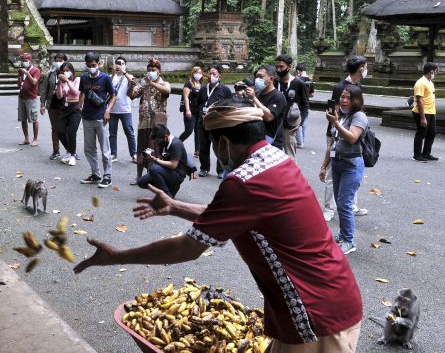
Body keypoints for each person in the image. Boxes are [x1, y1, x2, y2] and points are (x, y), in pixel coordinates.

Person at [74, 100, 363, 352]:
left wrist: (117, 257)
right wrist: (175, 207)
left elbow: (188, 248)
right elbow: (230, 216)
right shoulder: (275, 159)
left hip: (313, 316)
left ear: (223, 143)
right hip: (335, 298)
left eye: (211, 142)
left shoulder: (243, 182)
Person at [319, 85, 368, 255]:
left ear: (356, 100)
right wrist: (324, 166)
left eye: (348, 97)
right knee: (340, 204)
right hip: (337, 164)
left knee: (344, 204)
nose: (344, 100)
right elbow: (331, 144)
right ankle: (343, 235)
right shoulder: (342, 116)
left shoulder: (359, 117)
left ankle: (349, 241)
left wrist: (336, 123)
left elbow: (352, 137)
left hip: (352, 165)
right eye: (342, 97)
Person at [323, 56, 369, 221]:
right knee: (331, 172)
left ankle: (351, 205)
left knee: (351, 172)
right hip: (337, 133)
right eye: (366, 67)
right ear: (361, 69)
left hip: (353, 133)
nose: (345, 99)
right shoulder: (341, 87)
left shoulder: (358, 86)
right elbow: (334, 111)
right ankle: (329, 208)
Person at [128, 58, 171, 185]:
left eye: (153, 70)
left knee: (155, 151)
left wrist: (151, 84)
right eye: (149, 70)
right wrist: (131, 85)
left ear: (159, 72)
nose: (151, 72)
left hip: (158, 125)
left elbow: (167, 91)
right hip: (143, 122)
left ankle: (154, 178)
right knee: (141, 149)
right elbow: (131, 95)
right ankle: (138, 176)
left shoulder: (164, 84)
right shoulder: (143, 84)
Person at [79, 52, 116, 188]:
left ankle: (107, 176)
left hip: (101, 118)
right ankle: (96, 174)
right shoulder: (83, 77)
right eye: (89, 66)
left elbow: (113, 96)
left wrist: (108, 111)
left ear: (99, 63)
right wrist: (79, 106)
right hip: (87, 117)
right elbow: (82, 92)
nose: (91, 68)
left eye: (93, 65)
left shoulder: (105, 78)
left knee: (105, 150)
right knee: (89, 149)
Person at [195, 65, 232, 178]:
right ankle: (204, 168)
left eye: (214, 74)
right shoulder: (202, 89)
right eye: (209, 74)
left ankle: (220, 170)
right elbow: (199, 103)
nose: (211, 76)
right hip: (203, 122)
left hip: (218, 124)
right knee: (203, 146)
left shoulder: (225, 90)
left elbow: (229, 106)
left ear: (219, 76)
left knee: (219, 147)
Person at [275, 54, 309, 161]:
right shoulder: (275, 82)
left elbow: (305, 105)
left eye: (281, 67)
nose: (279, 69)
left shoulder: (299, 83)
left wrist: (299, 123)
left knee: (290, 158)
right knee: (274, 158)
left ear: (289, 67)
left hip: (289, 127)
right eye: (277, 67)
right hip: (274, 125)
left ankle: (291, 177)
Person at [137, 124, 187, 198]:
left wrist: (156, 160)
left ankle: (167, 196)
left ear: (165, 136)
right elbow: (161, 158)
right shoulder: (163, 143)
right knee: (141, 182)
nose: (157, 143)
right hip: (167, 171)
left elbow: (173, 165)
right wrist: (151, 157)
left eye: (157, 141)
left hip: (177, 174)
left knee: (153, 168)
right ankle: (170, 188)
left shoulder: (176, 144)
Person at [246, 64, 286, 149]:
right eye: (256, 77)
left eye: (261, 77)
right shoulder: (258, 93)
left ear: (271, 79)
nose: (257, 79)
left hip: (272, 141)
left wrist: (254, 98)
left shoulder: (278, 96)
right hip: (257, 137)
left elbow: (269, 117)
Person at [39, 52, 68, 160]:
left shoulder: (69, 73)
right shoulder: (49, 74)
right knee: (55, 128)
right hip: (53, 104)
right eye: (57, 60)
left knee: (66, 128)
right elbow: (44, 89)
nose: (58, 62)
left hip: (65, 104)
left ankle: (70, 150)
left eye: (61, 60)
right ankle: (56, 151)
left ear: (65, 61)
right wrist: (42, 104)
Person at [109, 56, 137, 163]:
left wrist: (124, 72)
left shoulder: (128, 77)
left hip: (125, 109)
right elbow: (108, 88)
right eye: (117, 63)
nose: (119, 65)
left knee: (129, 132)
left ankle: (134, 154)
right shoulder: (110, 77)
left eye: (122, 63)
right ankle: (113, 154)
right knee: (112, 133)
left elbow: (133, 82)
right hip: (112, 110)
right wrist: (112, 73)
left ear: (125, 65)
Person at [411, 62, 439, 162]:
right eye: (435, 71)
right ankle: (417, 155)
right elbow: (419, 100)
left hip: (431, 112)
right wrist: (422, 117)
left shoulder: (430, 82)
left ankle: (426, 154)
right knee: (421, 133)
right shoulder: (420, 83)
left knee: (432, 133)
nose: (436, 73)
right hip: (422, 112)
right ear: (430, 71)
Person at [55, 62, 81, 166]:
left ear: (72, 70)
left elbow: (76, 92)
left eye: (67, 70)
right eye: (64, 71)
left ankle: (72, 154)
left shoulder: (77, 79)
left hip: (75, 108)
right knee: (60, 130)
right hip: (65, 108)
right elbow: (59, 96)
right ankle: (70, 151)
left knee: (71, 132)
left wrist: (67, 81)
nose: (65, 72)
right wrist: (59, 84)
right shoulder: (62, 81)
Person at [178, 66, 203, 158]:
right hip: (190, 111)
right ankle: (176, 143)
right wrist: (187, 110)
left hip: (199, 111)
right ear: (193, 73)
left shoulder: (201, 85)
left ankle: (197, 151)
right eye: (196, 72)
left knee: (198, 130)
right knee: (189, 130)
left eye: (200, 73)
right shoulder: (188, 84)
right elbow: (186, 98)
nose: (198, 74)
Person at [17, 52, 41, 147]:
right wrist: (19, 76)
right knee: (23, 118)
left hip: (31, 98)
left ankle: (35, 139)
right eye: (23, 60)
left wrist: (27, 73)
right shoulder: (22, 70)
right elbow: (19, 85)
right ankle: (26, 138)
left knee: (34, 119)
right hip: (22, 97)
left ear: (30, 61)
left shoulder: (35, 70)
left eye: (26, 60)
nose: (24, 62)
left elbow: (34, 82)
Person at [295, 63, 314, 148]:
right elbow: (312, 94)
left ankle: (300, 142)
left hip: (298, 103)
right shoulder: (310, 80)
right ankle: (302, 139)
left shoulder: (297, 79)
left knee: (297, 122)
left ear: (298, 71)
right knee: (304, 122)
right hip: (306, 103)